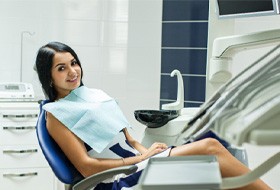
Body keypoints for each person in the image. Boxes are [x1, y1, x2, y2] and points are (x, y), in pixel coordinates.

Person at [35, 41, 271, 190]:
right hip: (116, 179)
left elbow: (130, 140)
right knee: (209, 147)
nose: (73, 71)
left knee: (216, 152)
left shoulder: (92, 96)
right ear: (49, 76)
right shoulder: (55, 115)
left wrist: (144, 150)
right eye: (61, 68)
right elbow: (86, 168)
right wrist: (139, 159)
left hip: (139, 163)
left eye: (74, 63)